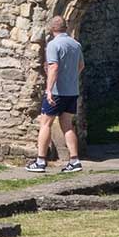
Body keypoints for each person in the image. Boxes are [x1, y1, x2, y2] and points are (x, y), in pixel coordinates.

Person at [27, 17, 85, 174]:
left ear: (52, 29)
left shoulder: (53, 45)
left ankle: (40, 161)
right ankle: (74, 161)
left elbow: (54, 67)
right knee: (67, 125)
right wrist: (70, 77)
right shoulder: (76, 44)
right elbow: (81, 65)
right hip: (72, 91)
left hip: (57, 92)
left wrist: (49, 90)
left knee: (45, 123)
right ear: (65, 27)